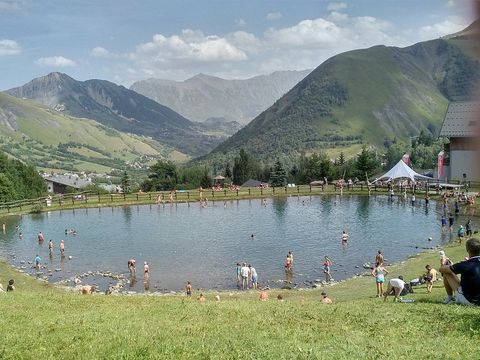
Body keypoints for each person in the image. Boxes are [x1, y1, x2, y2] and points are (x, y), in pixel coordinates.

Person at [439, 238, 480, 305]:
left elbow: (441, 269)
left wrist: (443, 263)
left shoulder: (465, 265)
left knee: (447, 272)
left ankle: (450, 297)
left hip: (471, 301)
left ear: (467, 250)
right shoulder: (468, 264)